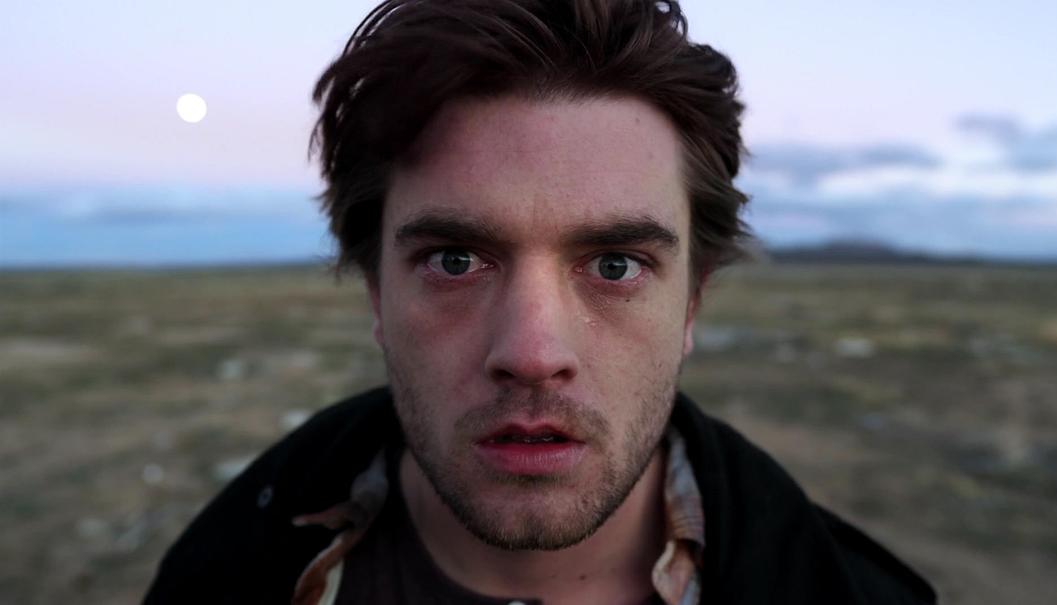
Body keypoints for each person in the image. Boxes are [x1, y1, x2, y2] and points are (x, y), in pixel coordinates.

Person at [145, 1, 936, 603]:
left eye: (616, 264)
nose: (531, 353)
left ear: (691, 304)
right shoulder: (219, 575)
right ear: (376, 293)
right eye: (455, 260)